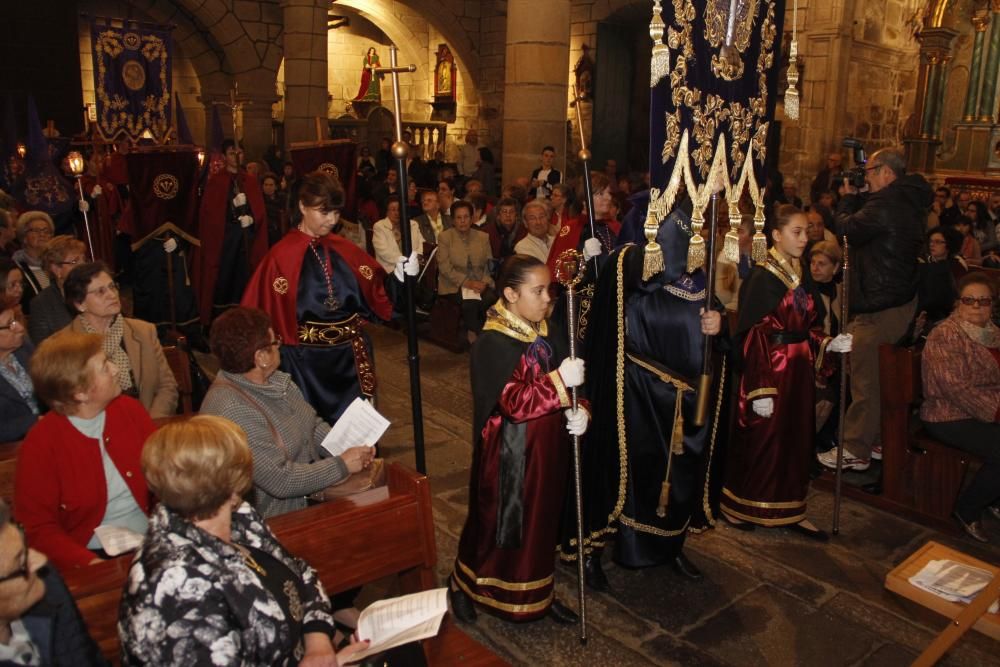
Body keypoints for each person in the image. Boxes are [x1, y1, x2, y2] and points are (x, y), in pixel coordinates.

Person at [563, 202, 727, 589]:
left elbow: (716, 318)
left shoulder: (698, 278)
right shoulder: (631, 267)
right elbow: (627, 273)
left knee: (677, 477)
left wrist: (720, 322)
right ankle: (597, 551)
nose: (693, 243)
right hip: (638, 394)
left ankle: (667, 545)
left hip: (686, 401)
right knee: (627, 476)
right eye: (685, 234)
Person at [118, 415, 369, 665]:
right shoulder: (174, 583)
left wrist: (318, 643)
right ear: (231, 480)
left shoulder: (239, 518)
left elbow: (301, 573)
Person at [449, 255, 587, 624]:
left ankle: (536, 593)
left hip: (548, 448)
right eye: (538, 291)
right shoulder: (492, 342)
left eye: (549, 291)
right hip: (510, 452)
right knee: (496, 524)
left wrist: (580, 409)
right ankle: (465, 584)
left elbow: (574, 383)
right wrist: (561, 383)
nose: (547, 299)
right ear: (510, 294)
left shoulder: (548, 330)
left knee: (542, 523)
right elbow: (514, 402)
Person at [721, 205, 852, 539]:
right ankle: (743, 505)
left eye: (807, 231)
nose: (805, 238)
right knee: (766, 440)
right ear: (776, 236)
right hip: (770, 371)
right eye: (797, 232)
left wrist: (827, 344)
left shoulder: (800, 272)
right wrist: (759, 387)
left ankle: (790, 506)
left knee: (796, 439)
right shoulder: (763, 277)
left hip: (799, 369)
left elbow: (804, 326)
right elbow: (753, 335)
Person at [242, 171, 405, 426]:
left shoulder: (344, 249)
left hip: (352, 359)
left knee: (357, 435)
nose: (332, 220)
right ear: (302, 206)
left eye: (336, 213)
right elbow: (259, 312)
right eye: (324, 212)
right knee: (313, 432)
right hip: (306, 364)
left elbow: (379, 295)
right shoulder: (280, 257)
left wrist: (401, 278)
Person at [201, 307, 375, 518]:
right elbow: (282, 481)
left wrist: (346, 444)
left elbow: (312, 424)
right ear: (261, 357)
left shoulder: (275, 380)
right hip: (278, 518)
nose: (280, 346)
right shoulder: (233, 411)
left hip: (310, 497)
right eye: (276, 341)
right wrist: (342, 465)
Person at [818, 148, 930, 472]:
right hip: (897, 300)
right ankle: (876, 440)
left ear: (886, 173)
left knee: (865, 378)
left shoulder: (887, 203)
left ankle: (855, 448)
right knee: (876, 375)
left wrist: (849, 198)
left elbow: (846, 231)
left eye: (869, 172)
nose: (864, 178)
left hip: (880, 304)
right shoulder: (908, 201)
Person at [15, 331, 154, 569]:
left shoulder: (129, 411)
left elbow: (169, 476)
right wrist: (92, 564)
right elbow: (37, 527)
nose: (116, 369)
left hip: (150, 539)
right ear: (79, 392)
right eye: (104, 367)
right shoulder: (42, 443)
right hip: (89, 556)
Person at [920, 273, 1000, 543]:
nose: (977, 306)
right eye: (969, 300)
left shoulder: (993, 333)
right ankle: (967, 510)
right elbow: (956, 389)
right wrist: (998, 411)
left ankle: (993, 497)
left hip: (982, 409)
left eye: (984, 301)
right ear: (958, 304)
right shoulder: (945, 335)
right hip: (947, 414)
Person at [62, 262, 179, 419]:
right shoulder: (65, 345)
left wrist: (151, 422)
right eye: (100, 292)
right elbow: (71, 405)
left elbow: (167, 386)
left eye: (112, 287)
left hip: (150, 422)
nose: (111, 295)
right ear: (80, 304)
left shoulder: (144, 331)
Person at [0, 499, 108, 666]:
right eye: (21, 563)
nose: (41, 560)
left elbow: (90, 660)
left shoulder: (46, 583)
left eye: (26, 549)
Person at [195, 139, 269, 324]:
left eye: (240, 153)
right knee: (226, 278)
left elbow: (259, 210)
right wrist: (230, 210)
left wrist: (251, 218)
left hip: (247, 241)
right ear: (224, 157)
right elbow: (211, 215)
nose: (236, 157)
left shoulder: (250, 181)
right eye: (231, 153)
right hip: (226, 242)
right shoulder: (216, 181)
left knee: (246, 277)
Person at [435, 200, 495, 341]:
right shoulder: (445, 237)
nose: (463, 221)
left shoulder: (482, 237)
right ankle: (474, 334)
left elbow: (490, 263)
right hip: (454, 284)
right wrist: (467, 282)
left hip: (479, 282)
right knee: (470, 304)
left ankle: (485, 334)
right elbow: (444, 267)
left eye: (466, 217)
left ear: (472, 218)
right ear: (453, 220)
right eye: (459, 217)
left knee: (491, 298)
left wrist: (484, 282)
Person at [27, 235, 85, 344]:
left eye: (83, 259)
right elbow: (43, 350)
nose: (83, 265)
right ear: (56, 269)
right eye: (75, 262)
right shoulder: (41, 304)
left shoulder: (95, 291)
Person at [916, 226, 968, 334]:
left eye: (938, 242)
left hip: (945, 316)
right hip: (926, 313)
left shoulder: (956, 266)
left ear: (949, 245)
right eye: (930, 241)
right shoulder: (926, 264)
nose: (932, 244)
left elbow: (959, 295)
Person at [0, 303, 39, 441]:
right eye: (10, 324)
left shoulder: (24, 347)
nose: (20, 328)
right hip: (11, 450)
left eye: (15, 319)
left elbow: (48, 382)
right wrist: (36, 422)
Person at [11, 212, 53, 314]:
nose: (42, 234)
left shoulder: (55, 264)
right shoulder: (16, 267)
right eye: (35, 230)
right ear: (24, 237)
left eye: (46, 231)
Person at [372, 196, 425, 273]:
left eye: (399, 209)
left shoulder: (413, 224)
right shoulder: (379, 226)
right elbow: (384, 252)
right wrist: (405, 262)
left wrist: (417, 258)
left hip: (413, 268)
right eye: (393, 210)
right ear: (387, 212)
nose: (397, 213)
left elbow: (421, 244)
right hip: (390, 270)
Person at [482, 197, 525, 268]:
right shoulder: (487, 232)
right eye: (504, 211)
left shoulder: (523, 231)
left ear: (516, 215)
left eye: (511, 211)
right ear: (498, 215)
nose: (508, 215)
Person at [0, 258, 24, 324]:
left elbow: (22, 333)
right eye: (13, 285)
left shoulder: (17, 311)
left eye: (21, 283)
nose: (20, 290)